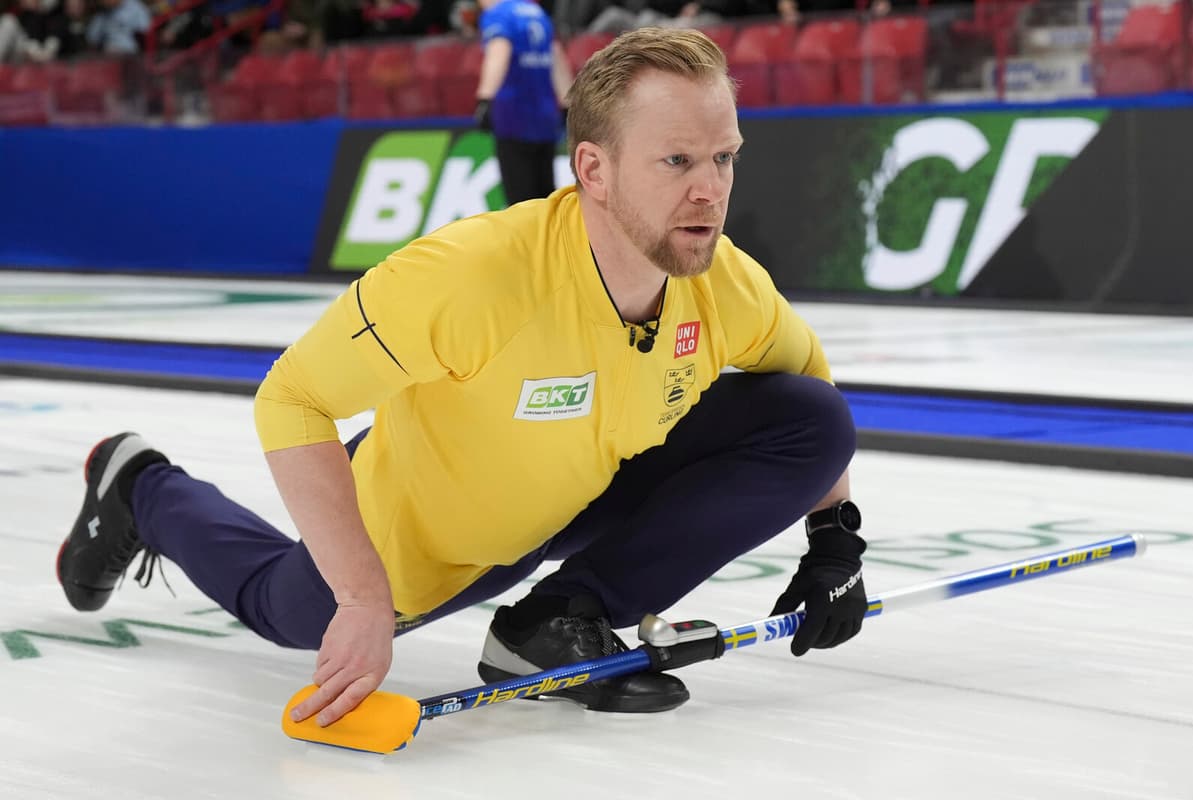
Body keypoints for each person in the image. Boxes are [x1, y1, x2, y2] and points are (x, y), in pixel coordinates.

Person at [56, 26, 867, 730]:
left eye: (724, 157)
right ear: (595, 168)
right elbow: (292, 400)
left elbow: (808, 399)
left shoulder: (722, 281)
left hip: (577, 491)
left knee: (811, 417)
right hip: (429, 538)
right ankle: (143, 487)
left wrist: (836, 541)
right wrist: (364, 599)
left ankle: (557, 618)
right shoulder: (473, 276)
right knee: (281, 606)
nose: (710, 190)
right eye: (678, 160)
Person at [472, 0, 572, 205]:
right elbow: (556, 56)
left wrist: (485, 98)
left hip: (514, 117)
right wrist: (567, 102)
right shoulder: (536, 12)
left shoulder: (498, 14)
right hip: (545, 119)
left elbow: (499, 50)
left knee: (521, 200)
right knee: (546, 196)